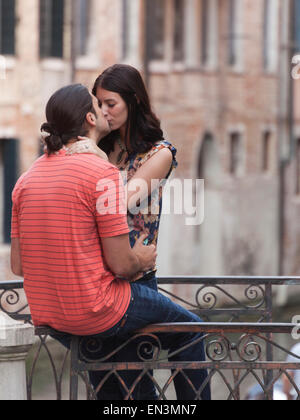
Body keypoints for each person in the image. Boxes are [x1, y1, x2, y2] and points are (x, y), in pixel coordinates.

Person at [11, 82, 211, 401]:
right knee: (190, 331)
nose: (104, 111)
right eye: (97, 105)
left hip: (51, 315)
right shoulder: (101, 173)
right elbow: (121, 264)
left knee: (121, 378)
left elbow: (18, 265)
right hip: (96, 309)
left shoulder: (25, 179)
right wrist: (144, 260)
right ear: (90, 119)